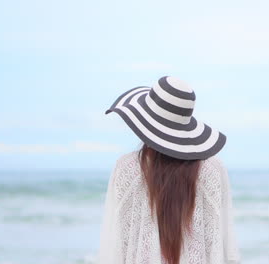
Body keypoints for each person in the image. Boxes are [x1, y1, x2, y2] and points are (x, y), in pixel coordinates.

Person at [98, 76, 240, 264]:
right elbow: (225, 245)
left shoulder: (126, 169)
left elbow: (113, 247)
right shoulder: (213, 170)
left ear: (146, 119)